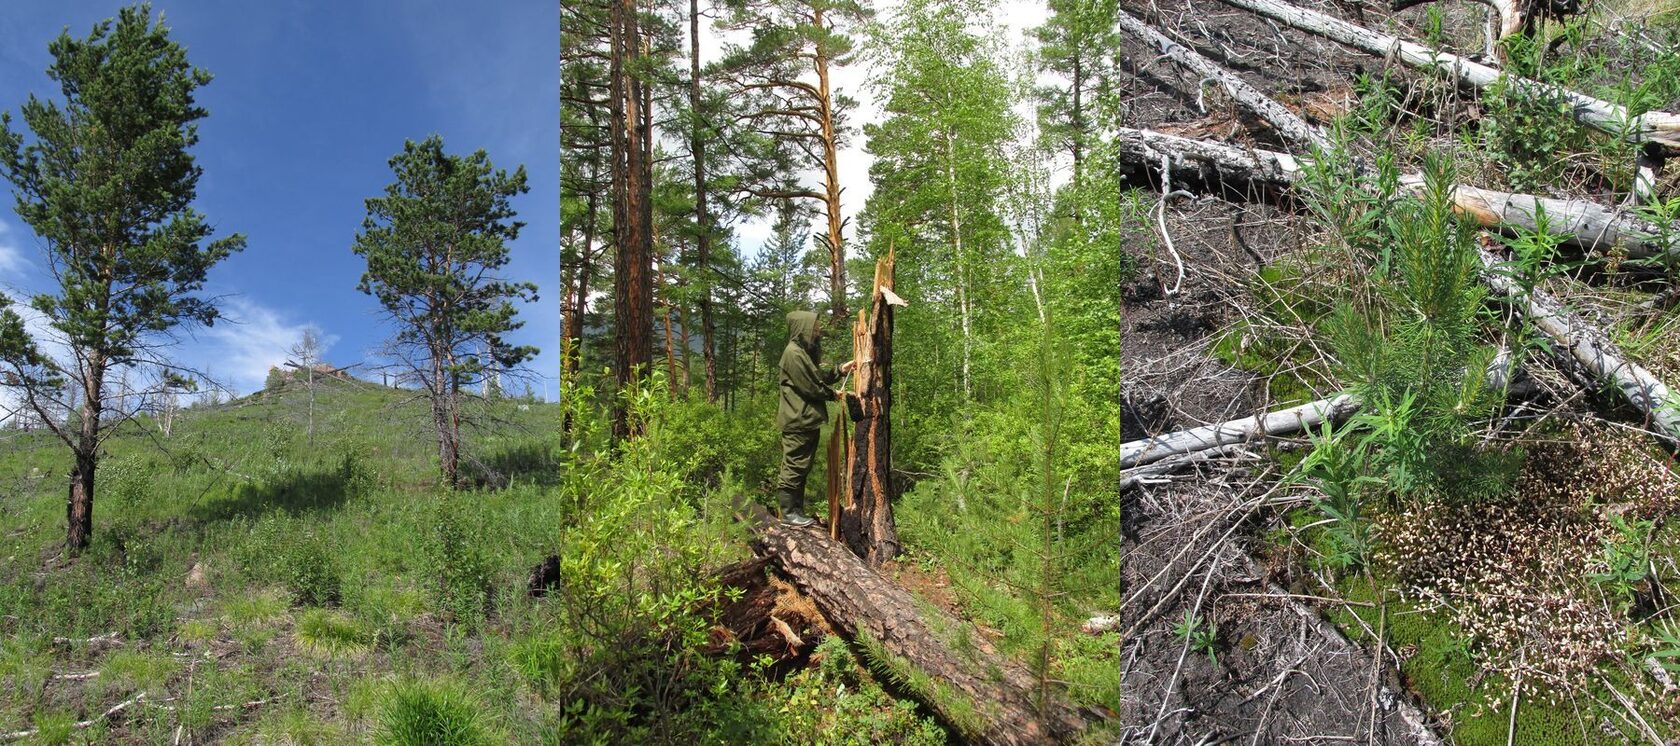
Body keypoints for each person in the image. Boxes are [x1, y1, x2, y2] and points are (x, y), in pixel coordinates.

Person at [774, 310, 855, 527]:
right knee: (794, 466)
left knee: (801, 466)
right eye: (814, 328)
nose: (818, 332)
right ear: (802, 329)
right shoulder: (793, 354)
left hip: (804, 420)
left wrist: (840, 370)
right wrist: (832, 394)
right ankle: (788, 514)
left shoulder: (801, 352)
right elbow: (810, 386)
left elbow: (816, 377)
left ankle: (795, 511)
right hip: (798, 420)